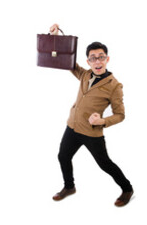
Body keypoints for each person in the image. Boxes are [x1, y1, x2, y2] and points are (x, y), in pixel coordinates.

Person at [47, 24, 134, 207]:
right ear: (88, 61)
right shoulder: (85, 75)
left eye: (101, 57)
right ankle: (69, 187)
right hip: (72, 126)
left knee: (105, 164)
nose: (97, 62)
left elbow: (120, 115)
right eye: (93, 58)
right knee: (63, 156)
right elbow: (66, 62)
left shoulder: (114, 86)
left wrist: (102, 121)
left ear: (107, 59)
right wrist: (56, 37)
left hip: (92, 132)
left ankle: (127, 189)